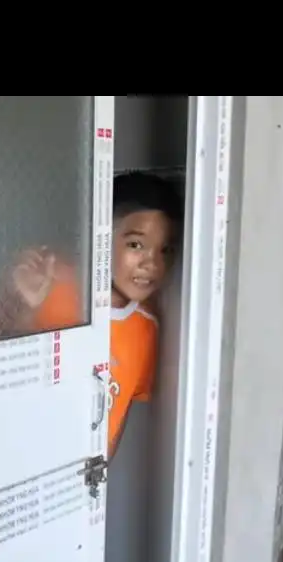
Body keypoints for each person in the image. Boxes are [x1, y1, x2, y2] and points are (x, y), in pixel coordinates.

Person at [10, 171, 183, 458]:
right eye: (135, 245)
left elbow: (116, 417)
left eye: (166, 249)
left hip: (81, 480)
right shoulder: (52, 289)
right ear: (101, 236)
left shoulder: (147, 328)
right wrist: (28, 307)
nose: (152, 264)